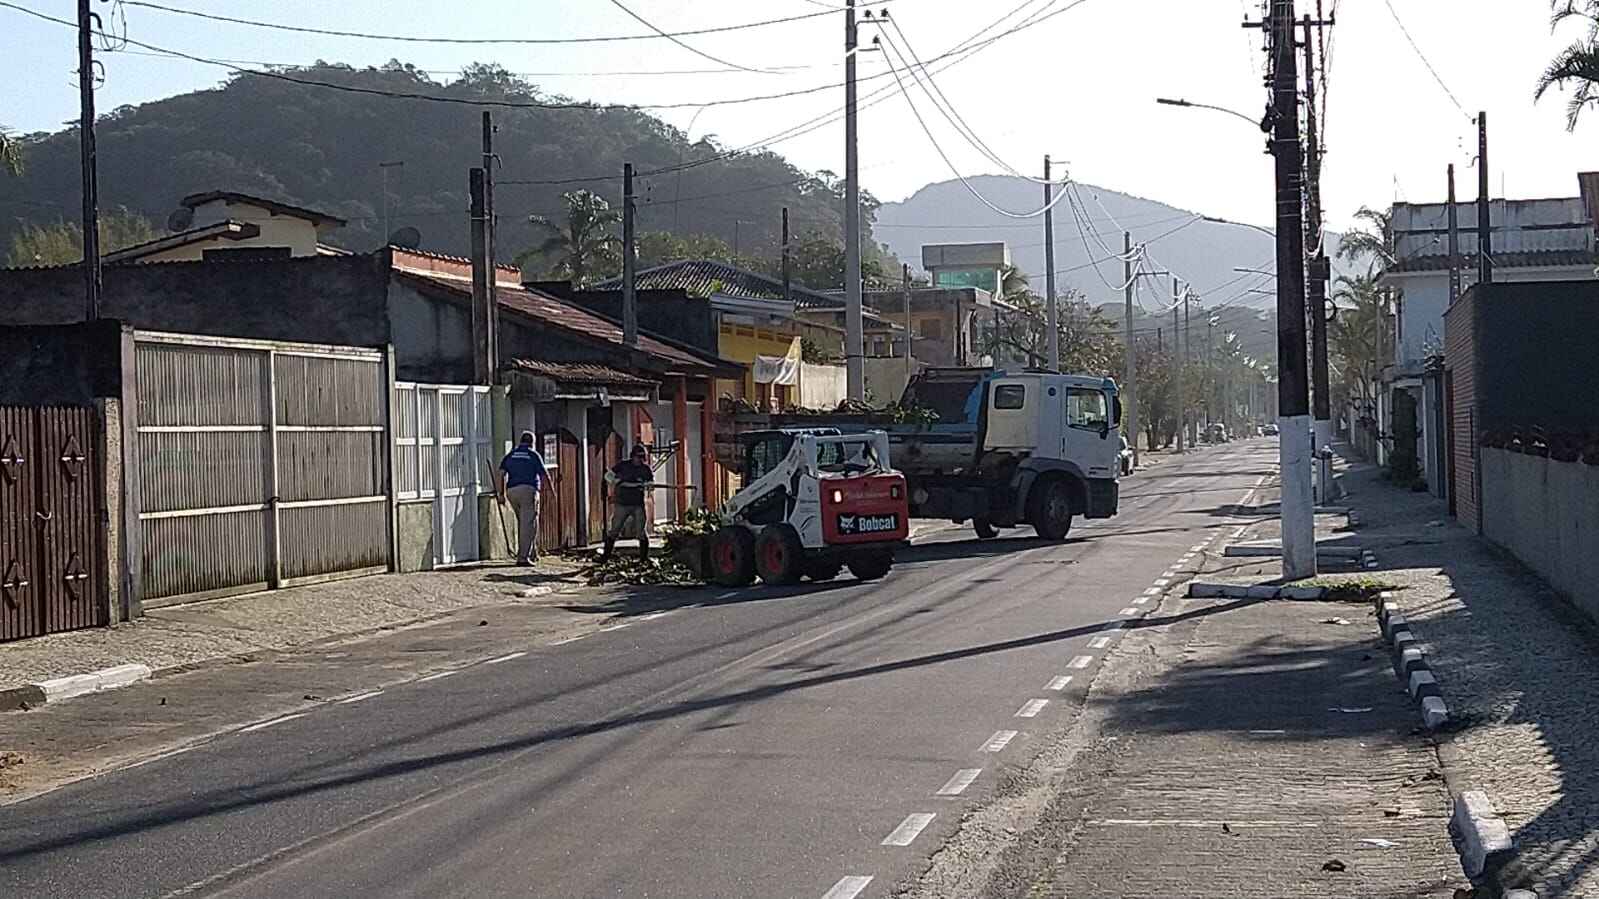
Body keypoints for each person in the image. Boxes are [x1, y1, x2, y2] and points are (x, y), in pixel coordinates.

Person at [497, 431, 548, 566]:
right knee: (527, 525)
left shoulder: (511, 455)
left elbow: (501, 473)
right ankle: (523, 558)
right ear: (532, 442)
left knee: (526, 522)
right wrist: (548, 492)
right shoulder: (533, 455)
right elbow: (544, 475)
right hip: (528, 491)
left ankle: (533, 553)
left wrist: (501, 494)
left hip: (512, 491)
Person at [603, 444, 654, 560]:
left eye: (642, 458)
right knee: (614, 530)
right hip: (622, 503)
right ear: (633, 456)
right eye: (638, 457)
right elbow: (608, 476)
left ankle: (643, 559)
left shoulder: (645, 469)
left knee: (641, 532)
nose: (640, 460)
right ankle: (605, 557)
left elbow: (651, 485)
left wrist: (648, 485)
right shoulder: (623, 466)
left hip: (638, 505)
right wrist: (615, 481)